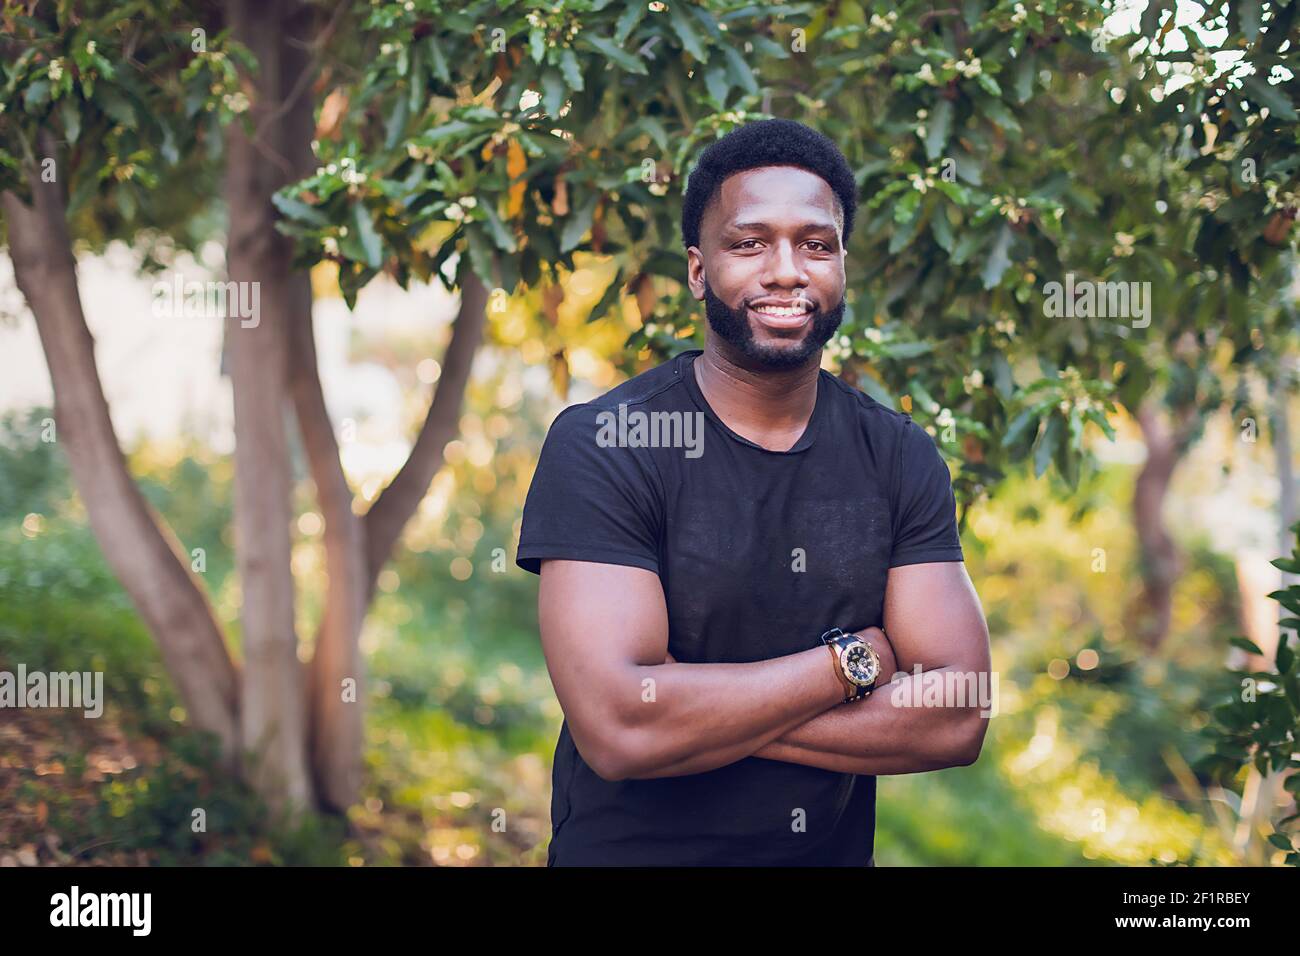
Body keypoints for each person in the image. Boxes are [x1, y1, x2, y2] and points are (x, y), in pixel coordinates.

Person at [516, 118, 992, 866]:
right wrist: (849, 667)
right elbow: (619, 729)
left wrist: (697, 711)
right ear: (700, 271)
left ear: (842, 267)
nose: (785, 271)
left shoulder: (899, 456)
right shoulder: (606, 443)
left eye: (815, 243)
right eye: (749, 243)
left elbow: (957, 715)